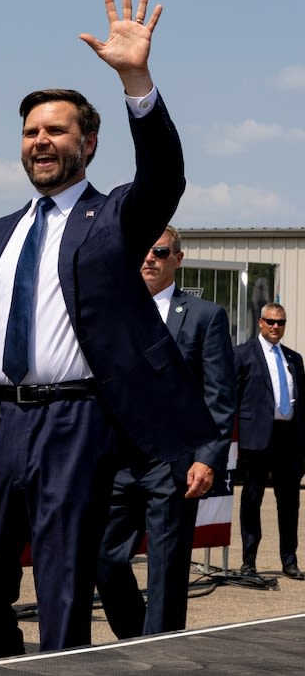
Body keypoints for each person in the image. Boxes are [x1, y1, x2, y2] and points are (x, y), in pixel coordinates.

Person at [0, 0, 218, 660]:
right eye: (31, 133)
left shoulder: (114, 219)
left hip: (74, 424)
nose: (41, 142)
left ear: (88, 141)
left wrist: (136, 80)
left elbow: (166, 175)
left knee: (62, 591)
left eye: (56, 131)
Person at [96, 226, 236, 636]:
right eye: (142, 250)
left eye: (159, 251)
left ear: (178, 257)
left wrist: (208, 458)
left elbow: (219, 397)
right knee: (104, 557)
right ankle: (137, 637)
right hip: (118, 460)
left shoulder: (205, 317)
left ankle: (160, 654)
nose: (149, 258)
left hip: (174, 463)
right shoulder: (109, 313)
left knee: (167, 567)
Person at [235, 302, 305, 579]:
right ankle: (249, 561)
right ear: (261, 323)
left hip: (288, 438)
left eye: (281, 323)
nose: (276, 327)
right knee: (252, 499)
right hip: (256, 438)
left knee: (289, 502)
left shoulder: (294, 358)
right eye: (271, 322)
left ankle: (289, 560)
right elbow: (231, 398)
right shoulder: (242, 355)